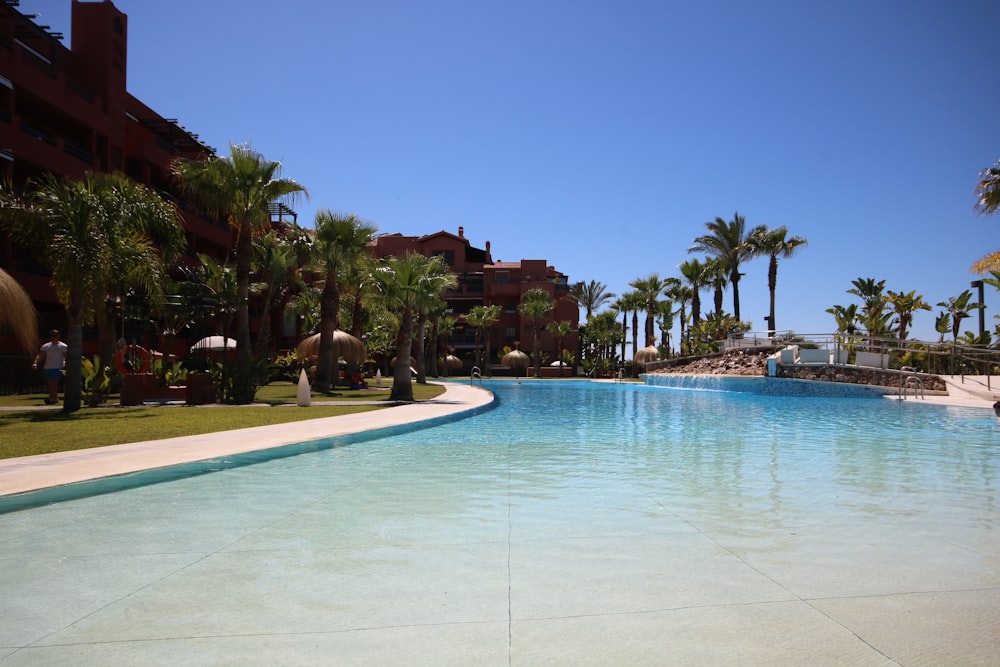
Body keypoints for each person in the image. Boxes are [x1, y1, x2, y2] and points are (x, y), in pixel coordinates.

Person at [32, 329, 68, 404]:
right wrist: (35, 363)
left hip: (58, 367)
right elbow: (40, 355)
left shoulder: (63, 346)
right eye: (52, 336)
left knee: (54, 383)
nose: (54, 337)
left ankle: (51, 398)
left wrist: (66, 365)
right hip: (48, 367)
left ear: (59, 336)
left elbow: (66, 356)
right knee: (50, 384)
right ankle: (54, 398)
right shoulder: (46, 346)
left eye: (55, 336)